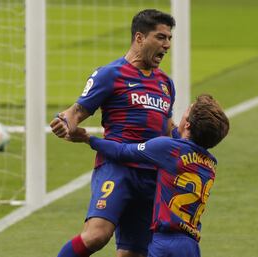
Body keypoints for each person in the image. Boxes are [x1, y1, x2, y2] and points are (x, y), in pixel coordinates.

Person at [50, 9, 176, 257]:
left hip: (151, 174)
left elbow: (167, 126)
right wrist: (64, 122)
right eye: (160, 37)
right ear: (139, 38)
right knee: (97, 235)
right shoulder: (111, 74)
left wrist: (189, 140)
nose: (167, 45)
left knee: (133, 253)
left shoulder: (165, 83)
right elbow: (75, 111)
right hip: (116, 167)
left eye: (169, 38)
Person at [71, 94, 230, 257]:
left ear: (188, 124)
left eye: (186, 111)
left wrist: (88, 139)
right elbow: (182, 140)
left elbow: (122, 151)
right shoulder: (211, 164)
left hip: (165, 243)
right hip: (190, 246)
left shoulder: (167, 149)